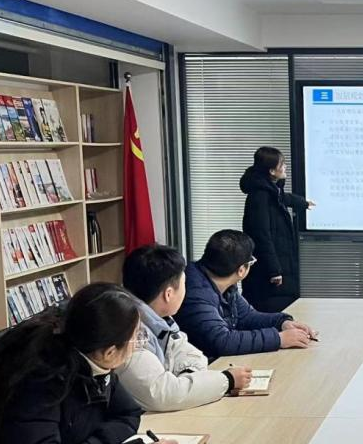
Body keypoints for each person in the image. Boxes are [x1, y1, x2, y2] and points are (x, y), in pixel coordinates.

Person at [0, 283, 178, 444]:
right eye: (136, 338)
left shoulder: (91, 355)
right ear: (110, 352)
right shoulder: (40, 379)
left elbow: (128, 413)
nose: (137, 345)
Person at [117, 244, 254, 412]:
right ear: (168, 294)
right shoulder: (127, 330)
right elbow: (162, 395)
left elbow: (194, 356)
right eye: (184, 284)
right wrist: (227, 380)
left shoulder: (160, 319)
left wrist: (186, 379)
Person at [175, 229, 316, 361]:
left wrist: (282, 322)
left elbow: (246, 316)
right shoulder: (195, 292)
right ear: (241, 270)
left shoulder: (224, 283)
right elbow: (222, 341)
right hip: (202, 368)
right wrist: (279, 339)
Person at [240, 146, 314, 313]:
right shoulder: (259, 197)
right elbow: (261, 237)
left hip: (278, 267)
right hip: (268, 275)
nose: (285, 167)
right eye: (282, 164)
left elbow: (283, 198)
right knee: (274, 314)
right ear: (272, 171)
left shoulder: (270, 191)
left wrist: (303, 203)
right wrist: (274, 270)